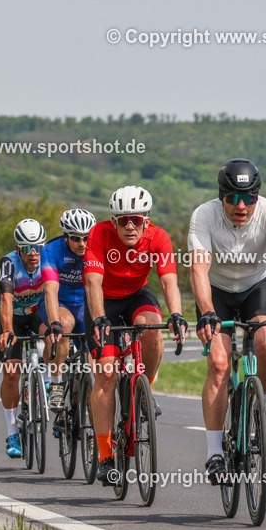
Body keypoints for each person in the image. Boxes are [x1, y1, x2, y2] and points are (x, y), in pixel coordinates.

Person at [189, 158, 266, 484]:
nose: (241, 205)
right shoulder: (204, 215)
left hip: (256, 287)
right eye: (233, 198)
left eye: (249, 198)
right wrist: (207, 311)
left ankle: (264, 409)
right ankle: (215, 453)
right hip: (216, 292)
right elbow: (198, 268)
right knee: (218, 363)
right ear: (221, 196)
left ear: (257, 197)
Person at [86, 186, 187, 484]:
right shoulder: (99, 234)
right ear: (114, 221)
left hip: (136, 295)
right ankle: (105, 455)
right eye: (123, 220)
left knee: (153, 331)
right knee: (107, 373)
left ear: (147, 220)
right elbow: (92, 282)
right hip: (104, 300)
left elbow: (168, 282)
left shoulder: (158, 237)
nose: (130, 226)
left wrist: (176, 314)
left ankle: (145, 391)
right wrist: (99, 318)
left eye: (137, 220)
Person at [0, 218, 47, 458]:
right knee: (11, 373)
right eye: (27, 248)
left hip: (37, 314)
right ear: (18, 249)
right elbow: (6, 299)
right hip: (13, 318)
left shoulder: (48, 259)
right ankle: (12, 431)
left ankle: (52, 382)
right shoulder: (9, 263)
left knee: (54, 335)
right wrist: (7, 330)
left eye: (37, 247)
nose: (33, 253)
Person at [40, 209, 96, 411]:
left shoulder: (98, 249)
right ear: (66, 237)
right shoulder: (51, 250)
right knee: (62, 327)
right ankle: (56, 384)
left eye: (86, 238)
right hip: (59, 303)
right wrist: (54, 323)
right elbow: (50, 289)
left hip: (85, 305)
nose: (82, 243)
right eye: (75, 238)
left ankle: (93, 427)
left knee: (95, 374)